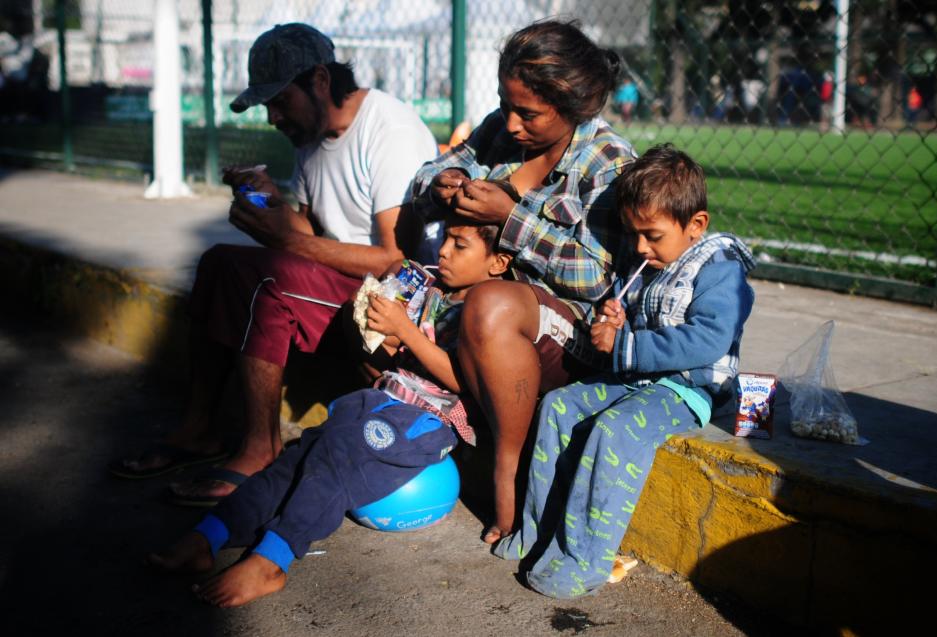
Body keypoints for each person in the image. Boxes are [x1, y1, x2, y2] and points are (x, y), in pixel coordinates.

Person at [109, 23, 438, 504]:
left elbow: (394, 260)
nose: (272, 117)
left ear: (320, 81)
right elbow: (309, 228)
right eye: (268, 106)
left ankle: (261, 447)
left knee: (262, 273)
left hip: (385, 300)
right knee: (220, 261)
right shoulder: (311, 134)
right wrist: (269, 208)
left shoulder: (390, 130)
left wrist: (285, 239)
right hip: (332, 281)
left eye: (279, 102)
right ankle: (198, 430)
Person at [147, 216, 512, 608]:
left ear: (497, 263)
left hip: (425, 422)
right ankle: (212, 534)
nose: (443, 251)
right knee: (299, 457)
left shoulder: (487, 312)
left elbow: (464, 381)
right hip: (386, 398)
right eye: (447, 240)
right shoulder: (438, 293)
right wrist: (380, 327)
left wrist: (403, 330)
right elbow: (405, 354)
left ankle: (273, 558)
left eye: (460, 245)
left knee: (333, 463)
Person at [493, 144, 756, 599]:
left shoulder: (720, 269)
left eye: (652, 235)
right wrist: (615, 322)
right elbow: (633, 324)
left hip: (688, 390)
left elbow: (708, 340)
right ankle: (538, 532)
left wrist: (627, 345)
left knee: (612, 432)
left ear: (696, 225)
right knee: (559, 407)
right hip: (640, 377)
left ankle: (583, 560)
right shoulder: (647, 261)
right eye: (634, 234)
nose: (639, 247)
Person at [410, 20, 636, 544]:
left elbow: (598, 275)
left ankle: (506, 467)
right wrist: (442, 184)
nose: (511, 124)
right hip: (486, 320)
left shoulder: (606, 162)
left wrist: (512, 217)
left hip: (568, 334)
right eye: (505, 105)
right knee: (386, 303)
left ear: (574, 105)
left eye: (528, 113)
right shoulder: (499, 131)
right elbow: (427, 174)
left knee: (489, 304)